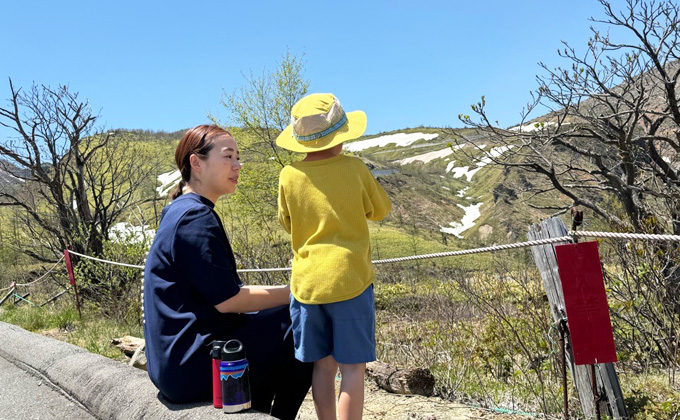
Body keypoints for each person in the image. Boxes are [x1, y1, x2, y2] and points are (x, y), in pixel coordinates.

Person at [143, 124, 312, 420]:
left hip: (174, 362)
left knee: (275, 315)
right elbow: (228, 300)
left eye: (238, 158)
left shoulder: (179, 210)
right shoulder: (195, 217)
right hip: (190, 367)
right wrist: (296, 292)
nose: (238, 166)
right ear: (196, 163)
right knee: (300, 316)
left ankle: (255, 407)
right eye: (228, 157)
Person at [276, 93, 391, 420]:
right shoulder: (354, 168)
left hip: (307, 284)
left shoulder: (289, 175)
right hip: (350, 280)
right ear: (340, 134)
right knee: (352, 369)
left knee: (322, 367)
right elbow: (380, 210)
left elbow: (287, 222)